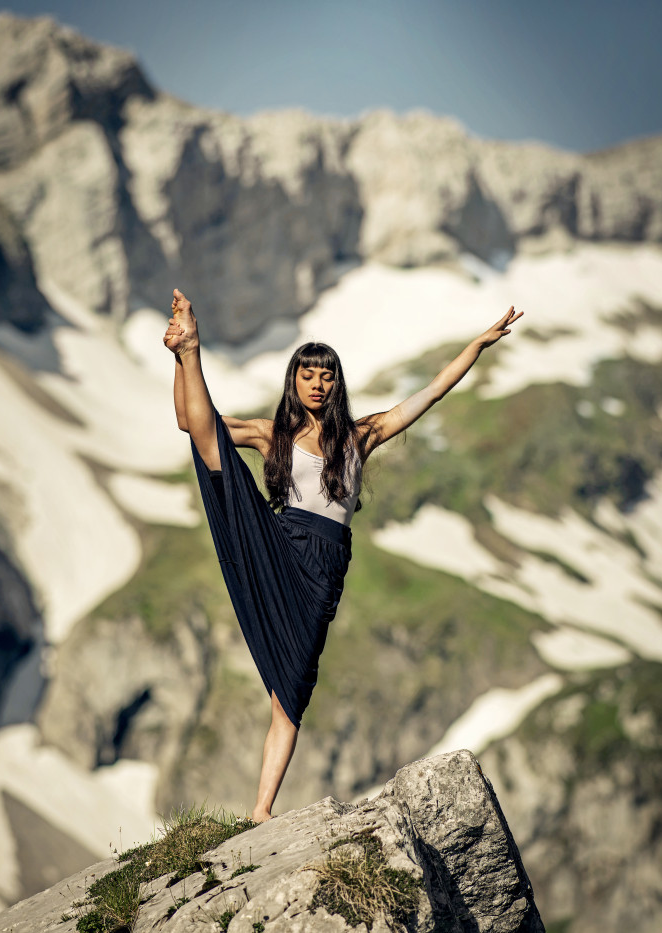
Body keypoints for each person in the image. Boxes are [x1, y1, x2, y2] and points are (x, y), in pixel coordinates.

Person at [164, 287, 521, 822]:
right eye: (307, 375)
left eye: (326, 375)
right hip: (281, 541)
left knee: (294, 688)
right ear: (294, 381)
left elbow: (432, 392)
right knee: (212, 443)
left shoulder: (363, 434)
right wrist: (181, 359)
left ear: (337, 384)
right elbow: (195, 425)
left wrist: (476, 345)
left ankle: (261, 808)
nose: (317, 383)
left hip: (325, 566)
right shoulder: (272, 434)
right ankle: (262, 810)